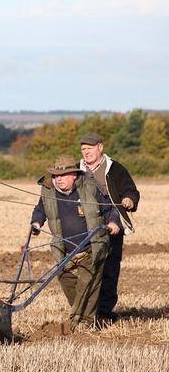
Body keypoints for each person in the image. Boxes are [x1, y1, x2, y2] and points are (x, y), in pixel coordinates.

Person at [31, 155, 121, 330]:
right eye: (56, 176)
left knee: (88, 282)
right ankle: (83, 312)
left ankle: (85, 322)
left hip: (92, 245)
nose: (59, 179)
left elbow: (110, 209)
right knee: (64, 276)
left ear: (74, 175)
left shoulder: (90, 187)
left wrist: (113, 222)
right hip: (64, 249)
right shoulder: (48, 191)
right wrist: (36, 223)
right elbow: (40, 209)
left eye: (63, 175)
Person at [79, 132, 140, 321]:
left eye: (90, 148)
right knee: (87, 268)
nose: (86, 152)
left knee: (110, 269)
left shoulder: (115, 169)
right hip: (86, 226)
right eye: (83, 149)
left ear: (100, 147)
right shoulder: (77, 172)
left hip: (113, 223)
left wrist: (129, 198)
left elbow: (131, 189)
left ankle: (104, 312)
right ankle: (87, 310)